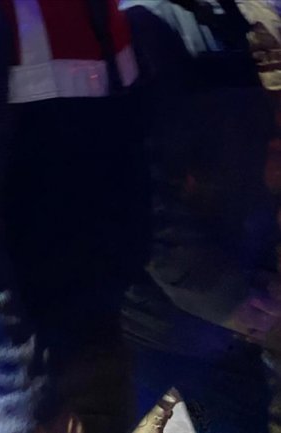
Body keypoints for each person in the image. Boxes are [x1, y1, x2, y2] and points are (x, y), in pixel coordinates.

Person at [0, 1, 151, 432]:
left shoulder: (102, 10)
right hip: (4, 371)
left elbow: (129, 166)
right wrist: (21, 399)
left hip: (95, 338)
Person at [119, 0, 281, 431]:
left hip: (222, 323)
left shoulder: (226, 20)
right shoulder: (143, 24)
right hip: (150, 323)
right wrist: (227, 297)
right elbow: (139, 192)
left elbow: (243, 174)